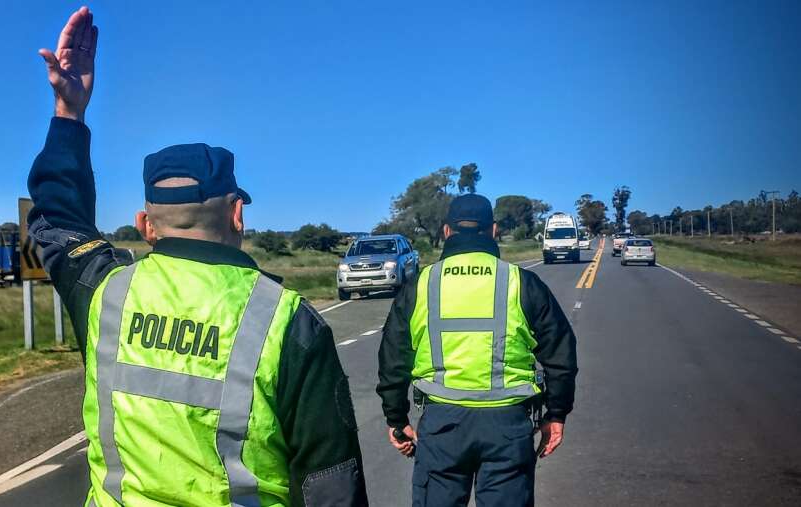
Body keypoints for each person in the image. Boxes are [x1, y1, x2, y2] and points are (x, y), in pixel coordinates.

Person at [28, 7, 368, 507]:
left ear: (145, 225)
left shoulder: (104, 291)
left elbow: (56, 220)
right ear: (237, 215)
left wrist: (68, 113)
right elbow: (331, 487)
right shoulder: (287, 322)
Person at [376, 193, 578, 507]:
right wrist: (556, 413)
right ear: (494, 230)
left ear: (446, 231)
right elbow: (561, 354)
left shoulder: (420, 284)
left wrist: (397, 419)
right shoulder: (521, 281)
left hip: (443, 425)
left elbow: (393, 357)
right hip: (507, 425)